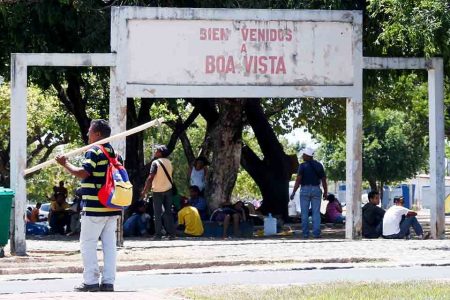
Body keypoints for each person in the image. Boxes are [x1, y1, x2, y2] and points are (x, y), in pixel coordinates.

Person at [56, 119, 121, 292]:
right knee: (109, 246)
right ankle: (108, 282)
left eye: (90, 131)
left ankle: (91, 281)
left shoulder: (94, 151)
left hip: (94, 207)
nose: (87, 134)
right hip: (112, 205)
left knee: (88, 243)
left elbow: (83, 172)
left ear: (97, 134)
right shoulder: (113, 152)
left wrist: (65, 164)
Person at [290, 147, 328, 238]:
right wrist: (325, 192)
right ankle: (316, 233)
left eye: (304, 155)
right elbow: (323, 180)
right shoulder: (319, 165)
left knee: (304, 213)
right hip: (316, 190)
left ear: (308, 156)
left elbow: (298, 180)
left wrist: (293, 192)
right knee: (316, 213)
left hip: (305, 190)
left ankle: (305, 234)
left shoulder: (302, 166)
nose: (302, 156)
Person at [141, 144, 176, 240]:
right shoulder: (169, 162)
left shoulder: (155, 163)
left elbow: (150, 177)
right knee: (168, 213)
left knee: (157, 213)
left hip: (157, 191)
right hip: (168, 190)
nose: (155, 152)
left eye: (157, 151)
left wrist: (145, 190)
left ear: (160, 153)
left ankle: (158, 235)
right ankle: (171, 234)